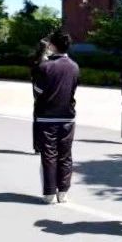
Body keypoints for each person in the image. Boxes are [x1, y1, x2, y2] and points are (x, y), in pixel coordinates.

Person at [32, 31, 80, 204]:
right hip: (67, 117)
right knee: (65, 155)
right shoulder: (74, 66)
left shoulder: (45, 67)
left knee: (49, 154)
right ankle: (63, 192)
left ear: (52, 46)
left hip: (47, 117)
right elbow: (73, 89)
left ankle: (49, 193)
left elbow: (38, 92)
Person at [30, 39, 50, 154]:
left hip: (37, 95)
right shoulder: (45, 64)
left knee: (37, 121)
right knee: (45, 123)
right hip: (45, 97)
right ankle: (43, 146)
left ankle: (37, 146)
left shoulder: (36, 62)